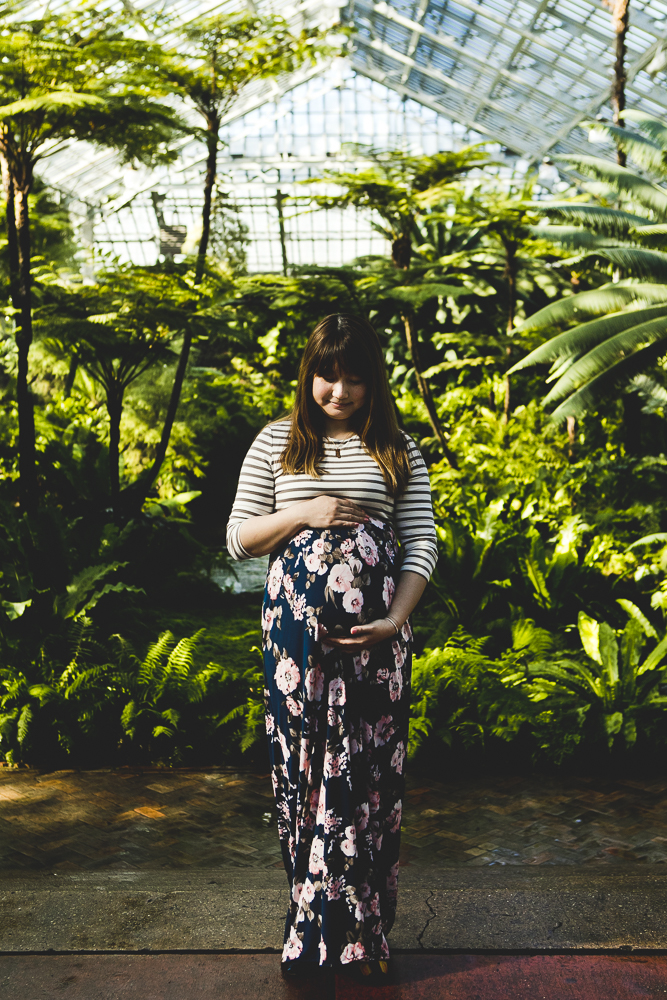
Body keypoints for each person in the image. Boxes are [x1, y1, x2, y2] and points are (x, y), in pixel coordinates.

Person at [226, 313, 437, 981]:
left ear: (372, 380)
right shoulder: (275, 443)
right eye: (326, 375)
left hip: (376, 645)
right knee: (307, 770)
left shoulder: (396, 446)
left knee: (369, 776)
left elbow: (422, 545)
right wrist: (305, 512)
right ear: (307, 375)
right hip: (296, 648)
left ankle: (364, 936)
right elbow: (238, 538)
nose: (339, 391)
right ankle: (309, 932)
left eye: (352, 377)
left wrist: (394, 621)